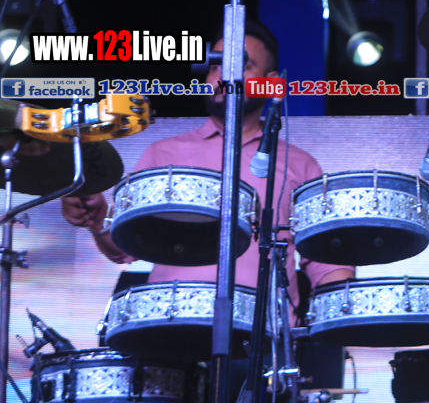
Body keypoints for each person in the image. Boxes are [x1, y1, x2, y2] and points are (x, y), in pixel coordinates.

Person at [62, 22, 354, 315]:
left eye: (242, 65)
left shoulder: (300, 165)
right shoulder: (163, 153)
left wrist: (346, 312)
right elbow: (124, 248)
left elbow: (328, 262)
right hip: (169, 328)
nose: (225, 76)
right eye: (216, 66)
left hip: (263, 335)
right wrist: (98, 218)